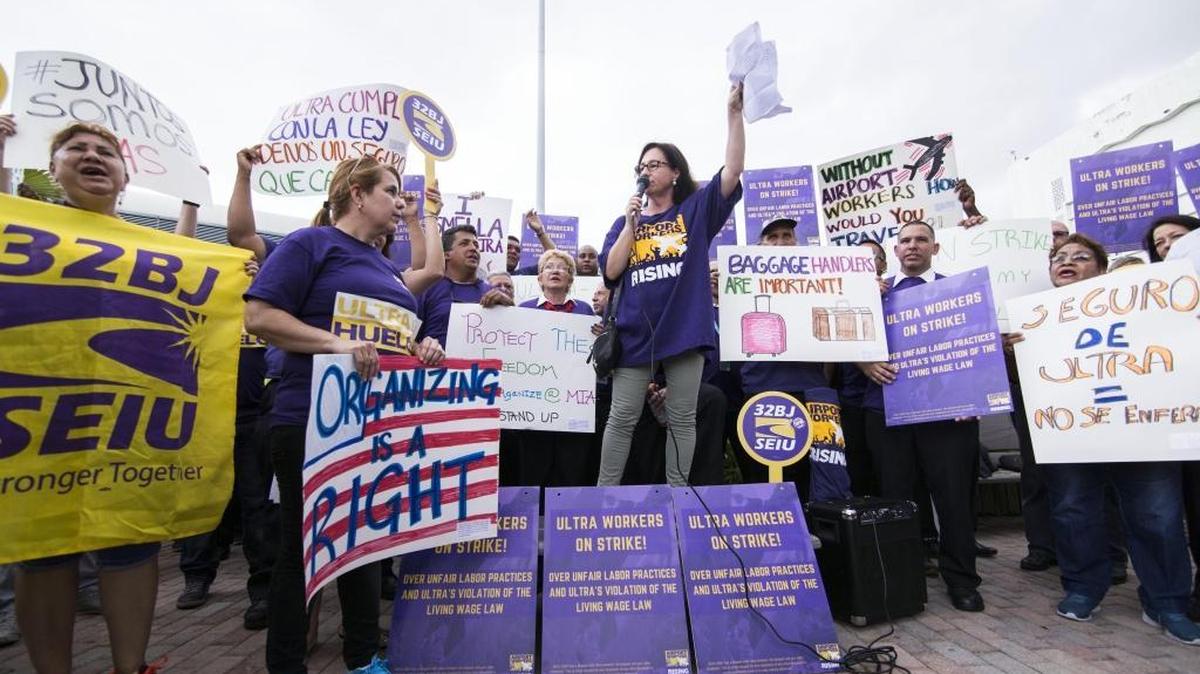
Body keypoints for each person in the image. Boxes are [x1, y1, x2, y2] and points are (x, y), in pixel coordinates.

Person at [244, 155, 447, 673]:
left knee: (364, 544)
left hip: (373, 424)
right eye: (391, 191)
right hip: (309, 419)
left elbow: (388, 344)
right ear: (358, 194)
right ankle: (287, 664)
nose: (399, 202)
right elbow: (261, 315)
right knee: (302, 549)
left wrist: (419, 349)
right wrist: (335, 343)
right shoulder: (309, 245)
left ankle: (362, 658)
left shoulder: (384, 266)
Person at [6, 122, 168, 674]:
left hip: (130, 416)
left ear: (125, 175)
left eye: (106, 151)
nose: (93, 157)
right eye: (77, 150)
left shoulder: (159, 246)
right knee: (44, 548)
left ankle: (131, 666)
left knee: (129, 543)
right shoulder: (20, 223)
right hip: (39, 412)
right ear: (52, 170)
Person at [1006, 234, 1199, 645]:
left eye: (1080, 256)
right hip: (1070, 432)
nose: (1067, 262)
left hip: (1144, 429)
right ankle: (1083, 587)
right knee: (1073, 510)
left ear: (1101, 266)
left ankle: (1167, 602)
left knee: (1158, 514)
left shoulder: (1150, 305)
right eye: (1059, 258)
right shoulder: (1033, 321)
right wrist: (1011, 350)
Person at [596, 82, 745, 488]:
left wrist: (734, 114)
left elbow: (732, 172)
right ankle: (603, 498)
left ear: (675, 172)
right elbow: (611, 272)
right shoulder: (625, 222)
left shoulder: (695, 210)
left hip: (682, 329)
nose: (647, 171)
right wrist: (630, 225)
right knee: (621, 417)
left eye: (656, 164)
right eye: (642, 166)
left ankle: (678, 500)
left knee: (681, 417)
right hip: (634, 334)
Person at [856, 220, 985, 612]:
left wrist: (972, 397)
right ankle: (903, 580)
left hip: (947, 416)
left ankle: (962, 580)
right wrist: (865, 364)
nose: (912, 246)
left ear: (935, 247)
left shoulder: (961, 293)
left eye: (921, 240)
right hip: (887, 411)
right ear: (895, 251)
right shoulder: (872, 295)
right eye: (905, 241)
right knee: (896, 499)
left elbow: (976, 346)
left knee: (953, 500)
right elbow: (845, 337)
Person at [736, 217, 828, 496]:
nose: (780, 242)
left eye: (786, 235)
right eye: (772, 237)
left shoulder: (819, 281)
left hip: (809, 386)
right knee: (765, 471)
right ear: (759, 246)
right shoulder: (741, 283)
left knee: (810, 471)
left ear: (796, 242)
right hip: (761, 387)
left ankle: (808, 531)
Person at [1141, 214, 1200, 621]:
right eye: (1160, 243)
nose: (1167, 248)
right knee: (1166, 511)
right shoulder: (1143, 300)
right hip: (1167, 423)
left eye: (1176, 239)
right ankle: (1173, 595)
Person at [514, 250, 596, 486]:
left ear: (571, 279)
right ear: (539, 278)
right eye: (549, 267)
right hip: (534, 404)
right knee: (534, 464)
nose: (556, 271)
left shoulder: (585, 310)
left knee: (571, 466)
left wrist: (599, 337)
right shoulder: (524, 309)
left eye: (563, 268)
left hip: (573, 403)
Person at [417, 225, 513, 348]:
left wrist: (509, 308)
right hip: (435, 367)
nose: (473, 248)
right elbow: (407, 336)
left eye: (476, 245)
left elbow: (514, 340)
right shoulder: (427, 289)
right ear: (446, 255)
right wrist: (421, 349)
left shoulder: (493, 293)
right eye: (464, 244)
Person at [507, 209, 557, 275]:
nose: (513, 251)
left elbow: (552, 256)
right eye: (508, 247)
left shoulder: (524, 274)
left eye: (518, 250)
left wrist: (540, 231)